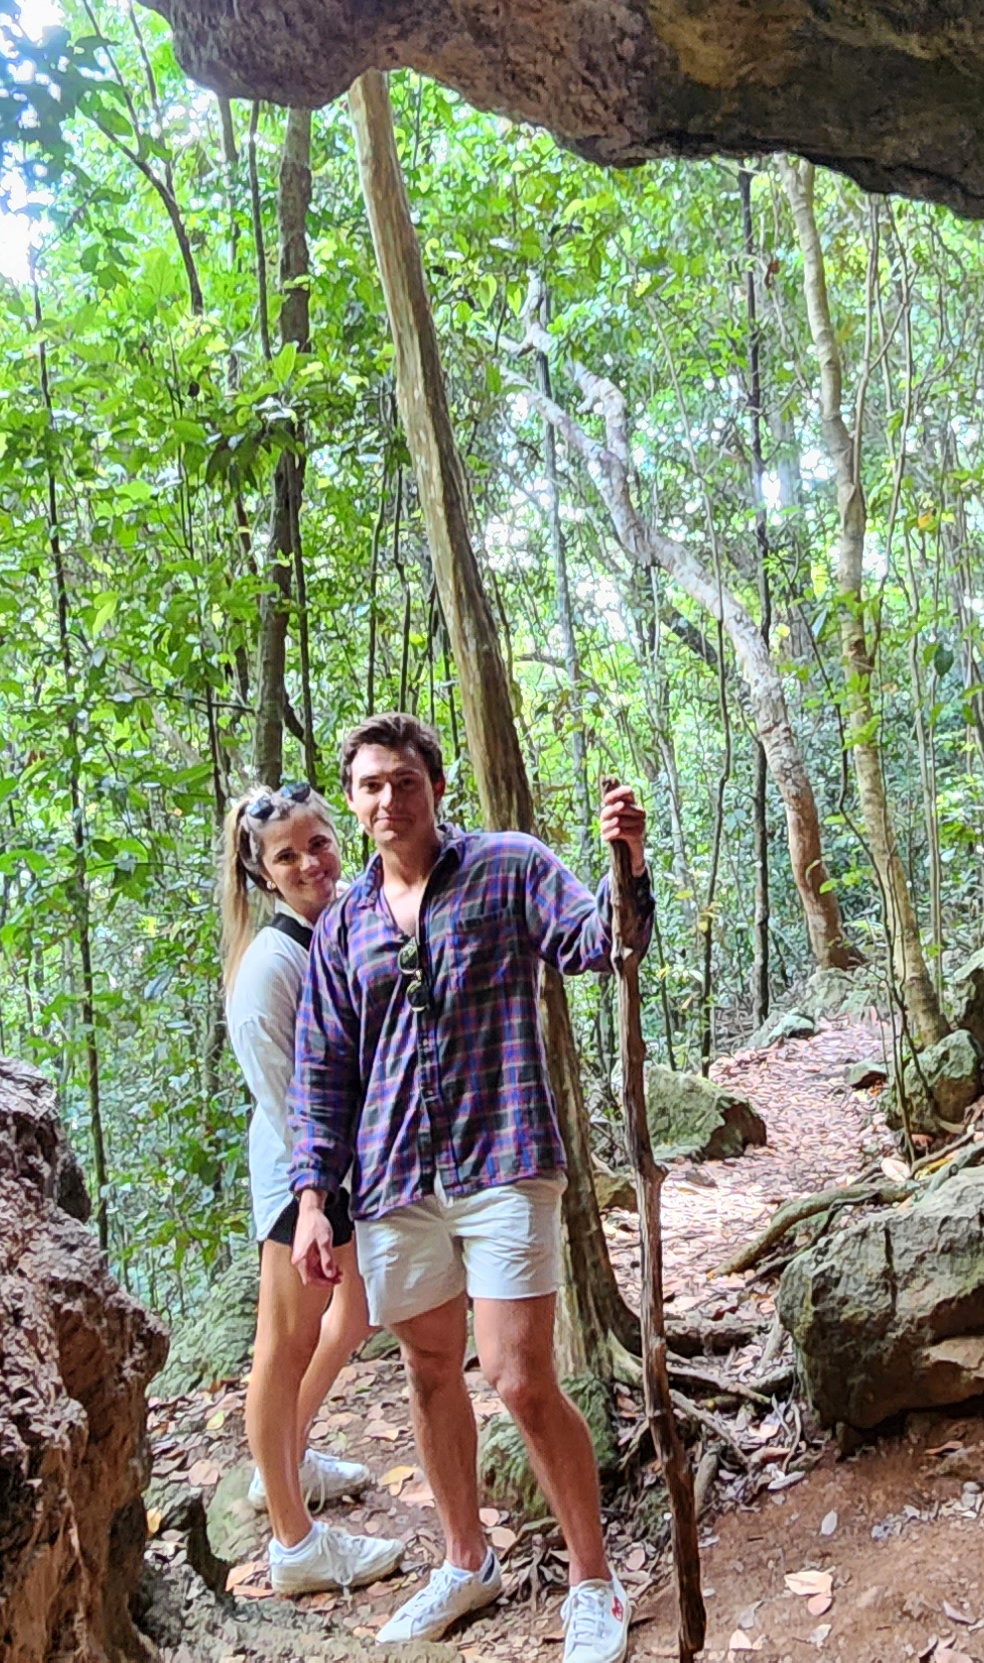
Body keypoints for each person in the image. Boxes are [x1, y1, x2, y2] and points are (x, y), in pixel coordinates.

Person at [287, 712, 648, 1663]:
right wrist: (315, 1198)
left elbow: (602, 945)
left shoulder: (510, 866)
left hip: (505, 1155)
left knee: (520, 1376)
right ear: (353, 801)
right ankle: (465, 1560)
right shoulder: (344, 926)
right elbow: (322, 1071)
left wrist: (626, 866)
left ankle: (594, 1583)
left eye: (404, 782)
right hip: (394, 1176)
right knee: (429, 1369)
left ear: (436, 788)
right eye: (370, 787)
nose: (388, 801)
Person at [219, 782, 409, 1597]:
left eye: (318, 844)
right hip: (301, 1178)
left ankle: (286, 1458)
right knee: (285, 1341)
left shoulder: (337, 927)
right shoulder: (270, 965)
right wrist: (317, 1196)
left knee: (353, 1315)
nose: (309, 864)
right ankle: (293, 1541)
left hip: (346, 1167)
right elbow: (280, 1090)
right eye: (286, 856)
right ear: (261, 874)